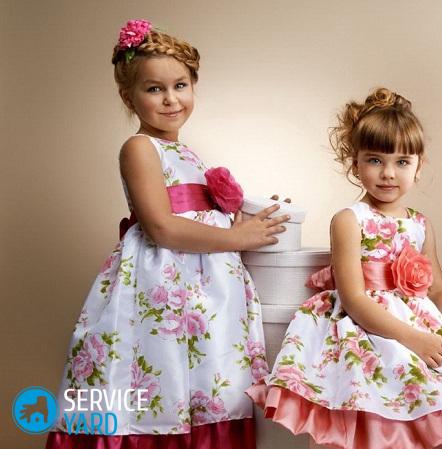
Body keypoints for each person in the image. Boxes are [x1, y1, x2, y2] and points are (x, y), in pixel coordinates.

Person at [247, 88, 442, 449]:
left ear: (419, 166)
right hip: (370, 329)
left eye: (402, 162)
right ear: (355, 164)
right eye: (375, 160)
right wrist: (413, 339)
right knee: (378, 403)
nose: (388, 173)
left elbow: (437, 289)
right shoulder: (349, 220)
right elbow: (354, 298)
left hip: (420, 322)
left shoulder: (421, 224)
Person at [46, 19, 288, 448]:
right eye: (154, 89)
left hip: (204, 293)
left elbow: (199, 221)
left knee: (208, 382)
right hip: (161, 285)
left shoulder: (186, 153)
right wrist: (239, 239)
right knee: (160, 377)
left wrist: (245, 220)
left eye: (180, 85)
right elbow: (162, 226)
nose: (171, 99)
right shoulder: (140, 147)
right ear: (129, 97)